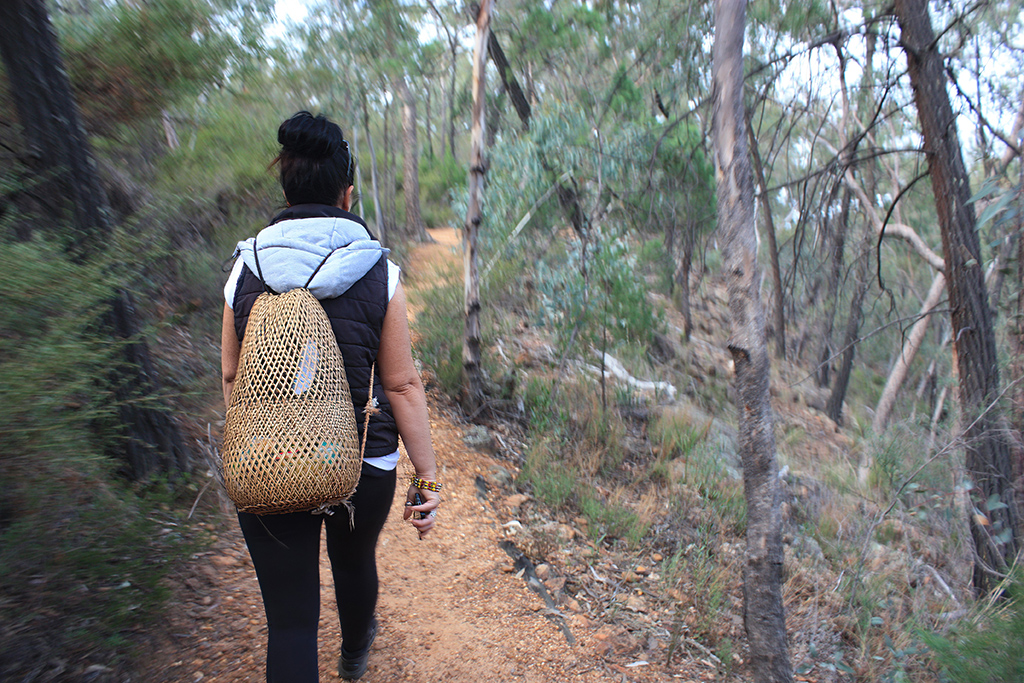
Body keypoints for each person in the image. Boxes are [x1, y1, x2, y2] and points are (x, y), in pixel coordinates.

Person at [220, 111, 440, 682]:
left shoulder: (245, 270)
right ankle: (354, 654)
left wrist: (267, 440)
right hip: (363, 460)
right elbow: (402, 385)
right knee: (353, 560)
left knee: (290, 624)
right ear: (347, 195)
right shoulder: (378, 272)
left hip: (270, 461)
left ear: (286, 188)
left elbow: (230, 380)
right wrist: (428, 476)